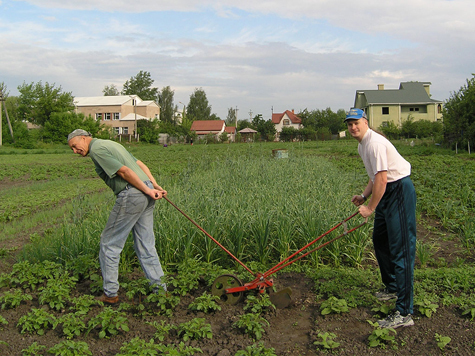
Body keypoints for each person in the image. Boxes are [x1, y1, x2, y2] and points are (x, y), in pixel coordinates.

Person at [68, 129, 167, 304]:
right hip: (145, 192)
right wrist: (153, 185)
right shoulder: (111, 143)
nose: (75, 152)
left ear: (84, 138)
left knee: (109, 244)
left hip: (133, 194)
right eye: (72, 150)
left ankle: (110, 293)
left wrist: (149, 189)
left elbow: (124, 172)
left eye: (75, 147)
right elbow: (139, 164)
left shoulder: (97, 149)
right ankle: (160, 290)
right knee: (146, 244)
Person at [345, 108, 416, 329]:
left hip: (398, 191)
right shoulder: (362, 145)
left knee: (401, 250)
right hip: (386, 190)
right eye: (349, 124)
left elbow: (383, 179)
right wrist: (364, 196)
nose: (353, 127)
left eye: (356, 123)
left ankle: (404, 313)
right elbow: (375, 176)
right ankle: (392, 286)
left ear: (365, 122)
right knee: (380, 239)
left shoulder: (374, 143)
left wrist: (370, 208)